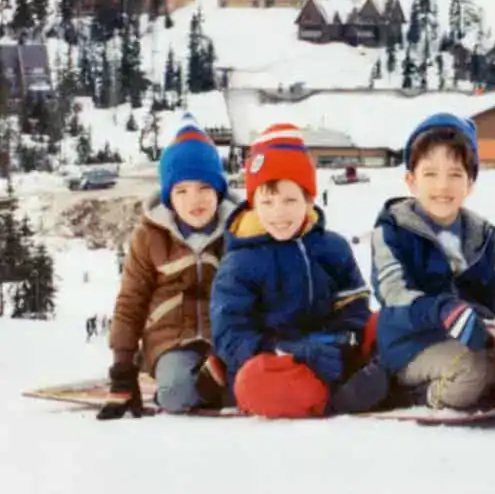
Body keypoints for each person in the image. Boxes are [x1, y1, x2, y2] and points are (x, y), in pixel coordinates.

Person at [210, 123, 387, 419]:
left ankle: (379, 376)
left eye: (290, 200)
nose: (279, 212)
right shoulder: (240, 263)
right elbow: (230, 336)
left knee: (386, 322)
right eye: (267, 202)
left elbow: (355, 303)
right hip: (280, 361)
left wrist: (345, 340)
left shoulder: (333, 247)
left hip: (332, 351)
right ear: (253, 204)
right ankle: (335, 400)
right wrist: (288, 350)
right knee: (252, 382)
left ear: (308, 199)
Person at [371, 114, 495, 411]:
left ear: (470, 184)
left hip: (468, 337)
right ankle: (414, 394)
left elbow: (490, 284)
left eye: (455, 175)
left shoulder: (478, 234)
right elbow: (394, 294)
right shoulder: (393, 231)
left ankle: (484, 384)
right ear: (411, 180)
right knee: (472, 372)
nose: (443, 186)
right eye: (430, 174)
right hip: (410, 344)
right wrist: (443, 311)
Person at [99, 114, 238, 420]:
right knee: (176, 394)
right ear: (169, 196)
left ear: (218, 190)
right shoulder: (150, 237)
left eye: (204, 188)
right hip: (171, 340)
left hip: (227, 340)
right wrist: (123, 369)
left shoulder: (237, 232)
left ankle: (220, 382)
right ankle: (192, 386)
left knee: (249, 389)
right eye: (182, 191)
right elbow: (130, 301)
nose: (195, 200)